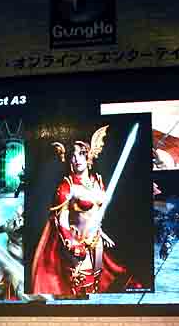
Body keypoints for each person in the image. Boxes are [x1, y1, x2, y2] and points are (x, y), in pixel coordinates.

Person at [31, 125, 137, 296]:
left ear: (89, 155)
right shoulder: (67, 186)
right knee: (82, 284)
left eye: (81, 153)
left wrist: (101, 233)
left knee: (97, 282)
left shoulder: (98, 181)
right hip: (75, 242)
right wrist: (72, 243)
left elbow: (96, 214)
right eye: (73, 155)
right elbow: (60, 221)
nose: (77, 159)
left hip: (96, 241)